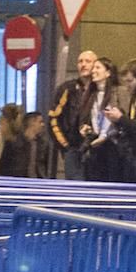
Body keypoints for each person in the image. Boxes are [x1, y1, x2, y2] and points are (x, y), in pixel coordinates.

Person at [46, 50, 97, 180]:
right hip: (74, 149)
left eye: (88, 61)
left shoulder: (101, 90)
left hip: (97, 149)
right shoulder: (67, 89)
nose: (83, 65)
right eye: (80, 61)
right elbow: (53, 119)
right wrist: (65, 146)